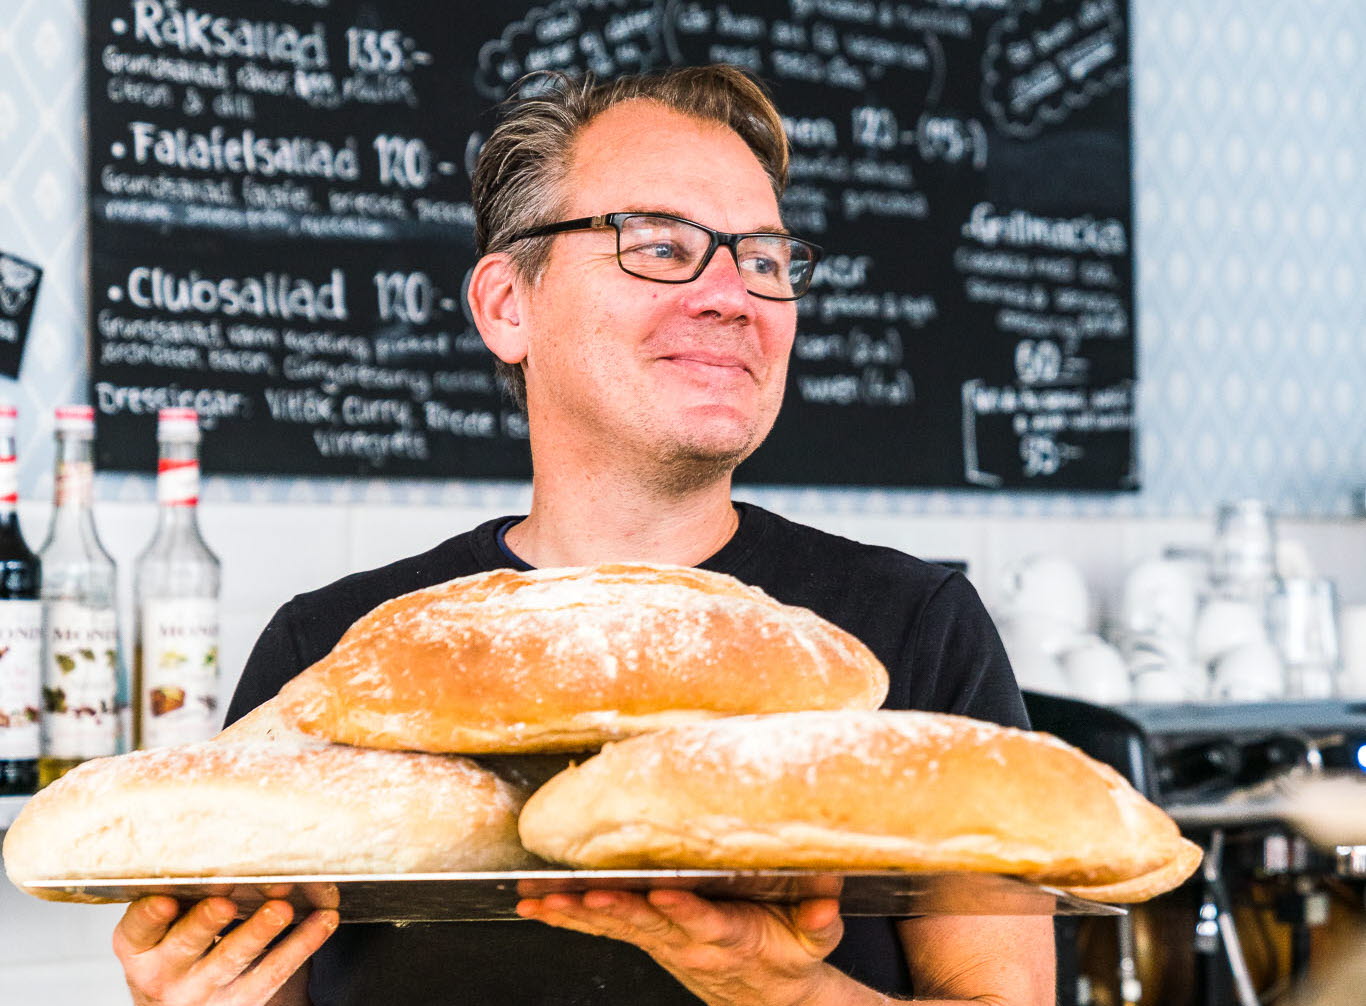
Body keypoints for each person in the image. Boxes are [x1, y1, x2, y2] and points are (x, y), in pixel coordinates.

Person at [112, 65, 1055, 1005]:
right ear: (506, 306)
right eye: (656, 245)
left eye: (764, 259)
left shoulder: (911, 631)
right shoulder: (340, 657)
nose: (733, 294)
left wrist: (790, 993)